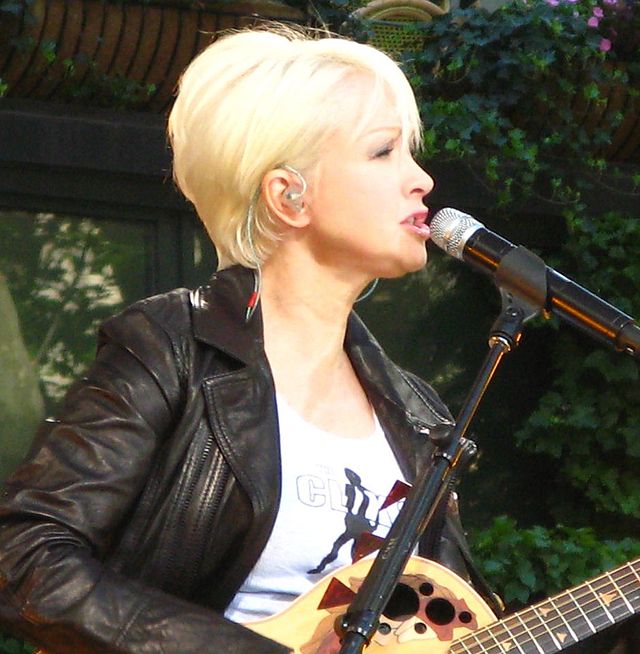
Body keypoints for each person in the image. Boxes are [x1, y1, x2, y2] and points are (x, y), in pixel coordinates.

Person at [2, 22, 611, 654]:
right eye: (384, 152)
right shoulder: (171, 348)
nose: (421, 179)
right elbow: (27, 560)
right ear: (289, 196)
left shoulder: (416, 412)